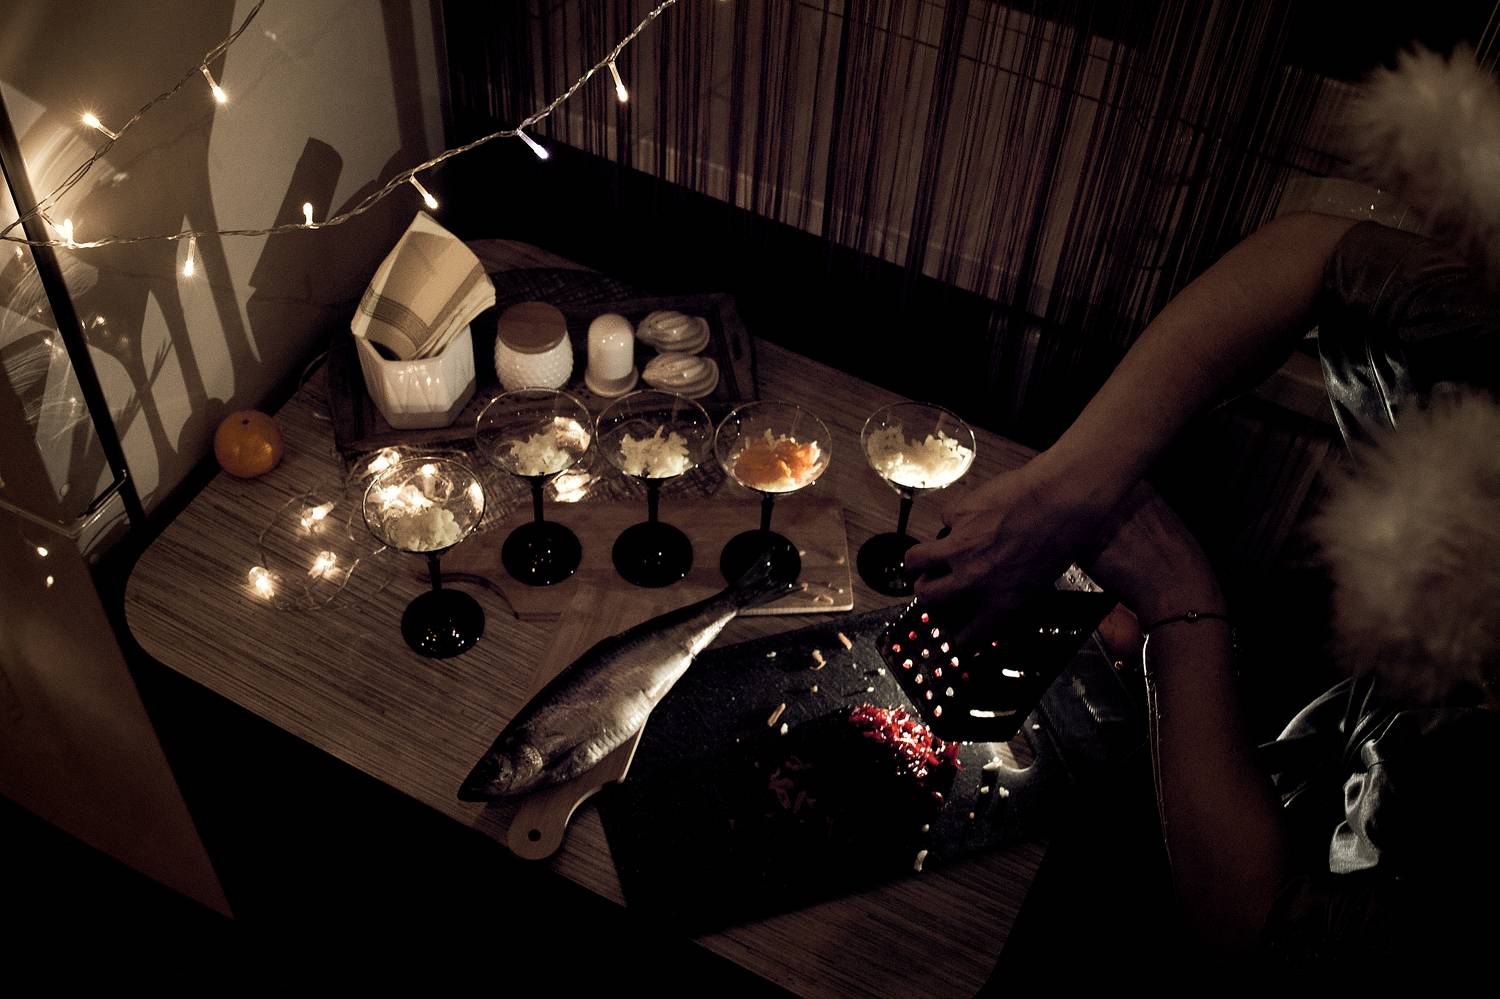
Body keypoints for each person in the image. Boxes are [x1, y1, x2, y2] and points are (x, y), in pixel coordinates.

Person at [913, 210, 1500, 961]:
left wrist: (1177, 602)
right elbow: (1312, 253)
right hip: (1322, 707)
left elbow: (1257, 926)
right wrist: (1064, 489)